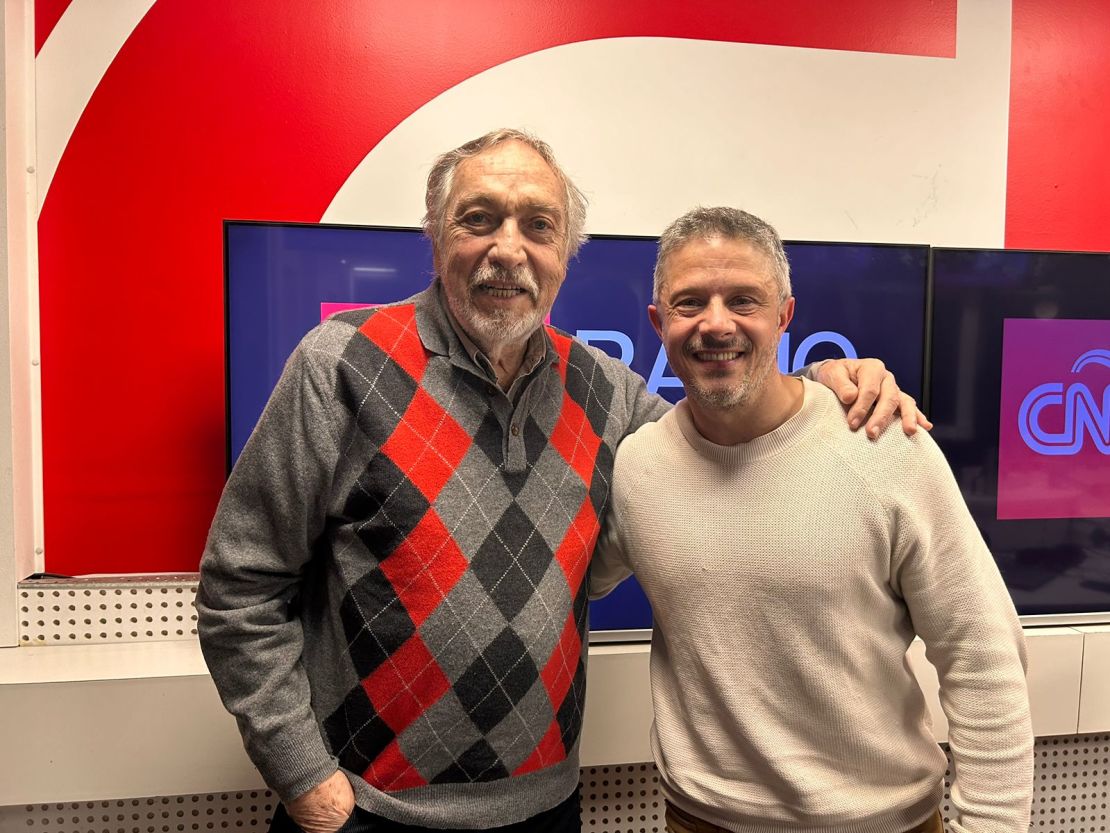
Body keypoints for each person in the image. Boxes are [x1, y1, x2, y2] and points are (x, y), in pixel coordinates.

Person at [197, 131, 925, 833]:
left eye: (538, 226)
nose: (508, 248)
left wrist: (824, 384)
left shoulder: (607, 391)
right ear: (436, 236)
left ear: (564, 255)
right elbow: (241, 588)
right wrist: (303, 778)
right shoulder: (339, 366)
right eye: (478, 219)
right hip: (367, 812)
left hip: (545, 810)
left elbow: (728, 434)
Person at [590, 206, 1033, 833]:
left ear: (784, 316)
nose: (716, 324)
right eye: (691, 303)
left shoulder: (885, 442)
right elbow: (568, 579)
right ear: (660, 323)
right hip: (698, 822)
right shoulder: (638, 466)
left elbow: (982, 653)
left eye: (743, 299)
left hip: (886, 822)